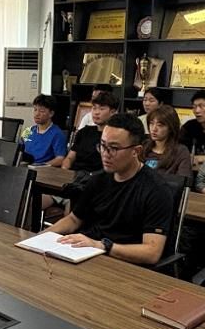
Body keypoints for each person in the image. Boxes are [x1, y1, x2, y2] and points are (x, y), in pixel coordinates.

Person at [45, 113, 171, 266]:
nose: (105, 154)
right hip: (85, 254)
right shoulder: (97, 180)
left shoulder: (156, 190)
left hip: (122, 263)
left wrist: (102, 246)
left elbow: (152, 253)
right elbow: (74, 219)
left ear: (136, 151)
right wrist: (41, 236)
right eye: (103, 145)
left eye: (113, 148)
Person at [62, 90, 119, 174]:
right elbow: (70, 158)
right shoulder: (84, 132)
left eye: (101, 109)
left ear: (113, 112)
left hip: (96, 177)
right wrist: (64, 170)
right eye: (94, 108)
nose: (96, 112)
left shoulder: (115, 136)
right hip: (75, 175)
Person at [144, 105, 192, 177]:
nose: (154, 129)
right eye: (151, 123)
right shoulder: (143, 147)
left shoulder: (181, 151)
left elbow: (183, 179)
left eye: (160, 125)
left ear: (170, 128)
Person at [19, 94, 67, 166]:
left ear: (51, 114)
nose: (36, 114)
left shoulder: (57, 134)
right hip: (24, 166)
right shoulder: (28, 130)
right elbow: (18, 149)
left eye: (41, 111)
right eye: (35, 110)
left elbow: (60, 159)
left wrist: (42, 166)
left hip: (41, 169)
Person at [179, 90, 205, 156]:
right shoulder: (188, 127)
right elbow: (179, 152)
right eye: (194, 107)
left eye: (202, 106)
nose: (197, 111)